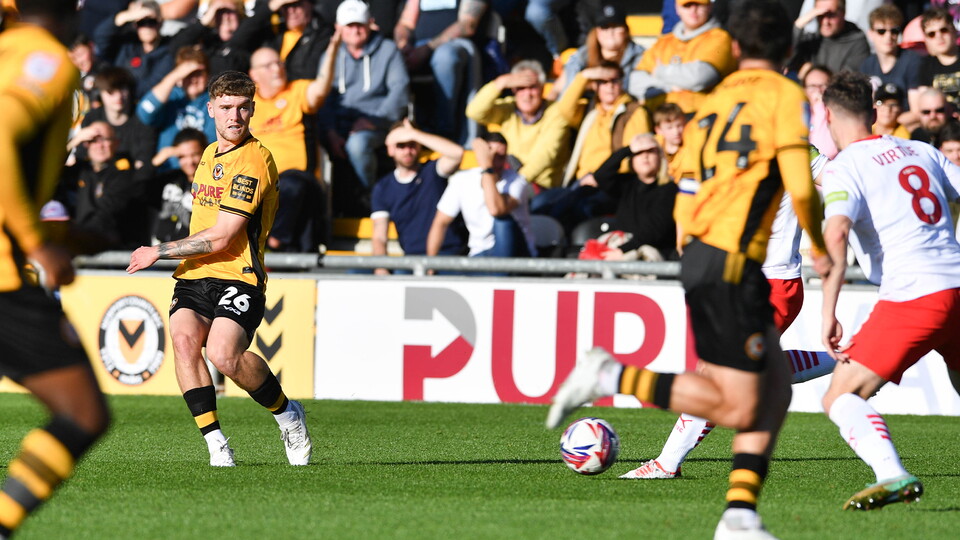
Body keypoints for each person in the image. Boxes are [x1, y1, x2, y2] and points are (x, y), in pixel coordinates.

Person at [545, 3, 832, 539]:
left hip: (706, 257)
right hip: (753, 269)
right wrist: (821, 245)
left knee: (771, 390)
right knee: (734, 394)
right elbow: (801, 181)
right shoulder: (784, 97)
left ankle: (739, 514)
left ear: (735, 50)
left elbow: (688, 189)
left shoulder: (711, 102)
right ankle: (615, 380)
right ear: (790, 52)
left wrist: (689, 248)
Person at [126, 70, 312, 467]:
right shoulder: (210, 154)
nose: (235, 116)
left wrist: (159, 250)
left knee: (224, 356)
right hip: (195, 274)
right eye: (226, 107)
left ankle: (288, 414)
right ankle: (216, 444)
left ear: (253, 110)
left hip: (238, 274)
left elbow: (223, 236)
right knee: (183, 341)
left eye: (243, 108)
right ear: (210, 109)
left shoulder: (255, 160)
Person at [622, 152, 839, 480]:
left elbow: (841, 182)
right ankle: (853, 359)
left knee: (718, 374)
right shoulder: (725, 141)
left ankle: (667, 463)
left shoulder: (791, 147)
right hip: (735, 277)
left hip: (773, 282)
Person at [818, 70, 960, 510]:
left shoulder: (845, 166)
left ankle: (891, 474)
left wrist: (828, 311)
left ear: (828, 117)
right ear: (874, 110)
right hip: (957, 283)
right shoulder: (921, 150)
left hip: (916, 294)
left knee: (840, 396)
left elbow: (836, 233)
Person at [0, 2, 111, 537]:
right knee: (83, 413)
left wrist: (58, 238)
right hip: (2, 279)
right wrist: (36, 245)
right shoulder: (45, 61)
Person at [247, 31, 340, 251]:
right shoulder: (247, 104)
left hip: (298, 182)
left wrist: (333, 51)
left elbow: (321, 87)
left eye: (279, 63)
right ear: (254, 74)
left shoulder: (297, 91)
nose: (277, 69)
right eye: (268, 65)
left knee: (292, 187)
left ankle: (274, 240)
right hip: (259, 185)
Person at [321, 0, 410, 190]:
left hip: (380, 123)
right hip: (339, 125)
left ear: (370, 24)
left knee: (357, 145)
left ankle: (370, 194)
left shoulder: (388, 49)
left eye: (359, 25)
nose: (355, 30)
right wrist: (330, 131)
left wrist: (373, 121)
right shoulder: (330, 55)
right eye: (349, 25)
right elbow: (324, 96)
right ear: (338, 28)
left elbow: (400, 90)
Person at [371, 119, 465, 274]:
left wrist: (414, 134)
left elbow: (457, 154)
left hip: (448, 254)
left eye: (412, 144)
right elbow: (379, 237)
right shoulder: (383, 187)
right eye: (401, 145)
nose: (407, 151)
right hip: (412, 260)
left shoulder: (432, 171)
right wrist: (381, 268)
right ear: (390, 149)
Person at [426, 133, 536, 259]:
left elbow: (495, 210)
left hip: (516, 254)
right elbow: (441, 222)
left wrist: (487, 167)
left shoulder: (517, 181)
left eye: (500, 157)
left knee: (503, 221)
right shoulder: (462, 180)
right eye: (490, 155)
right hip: (479, 253)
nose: (495, 161)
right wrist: (430, 265)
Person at [465, 59, 570, 192]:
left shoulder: (556, 112)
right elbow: (474, 112)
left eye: (532, 87)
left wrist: (517, 183)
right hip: (508, 179)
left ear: (542, 88)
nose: (527, 94)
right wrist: (500, 83)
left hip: (539, 186)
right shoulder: (509, 108)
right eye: (521, 88)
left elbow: (546, 156)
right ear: (513, 90)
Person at [393, 0, 489, 145]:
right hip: (417, 46)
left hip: (455, 45)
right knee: (391, 55)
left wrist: (427, 49)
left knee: (445, 57)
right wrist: (403, 45)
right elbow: (406, 23)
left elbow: (467, 25)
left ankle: (445, 132)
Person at [578, 133, 678, 262]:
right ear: (632, 159)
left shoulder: (670, 189)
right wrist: (628, 149)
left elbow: (655, 231)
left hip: (651, 254)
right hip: (622, 247)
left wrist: (623, 250)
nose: (645, 156)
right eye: (639, 153)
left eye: (650, 151)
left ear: (660, 156)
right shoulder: (627, 184)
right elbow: (601, 176)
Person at [630, 0, 736, 115]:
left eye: (699, 5)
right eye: (687, 6)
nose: (693, 10)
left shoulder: (720, 38)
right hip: (659, 117)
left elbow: (700, 77)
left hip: (700, 117)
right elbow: (635, 82)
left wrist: (660, 71)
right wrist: (669, 87)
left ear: (709, 7)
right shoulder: (664, 42)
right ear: (677, 9)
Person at [66, 121, 153, 249]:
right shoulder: (81, 170)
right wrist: (74, 141)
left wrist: (76, 237)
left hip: (113, 250)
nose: (99, 145)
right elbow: (49, 172)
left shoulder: (124, 173)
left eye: (105, 140)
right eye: (93, 140)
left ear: (116, 143)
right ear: (85, 144)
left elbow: (106, 214)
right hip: (83, 243)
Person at [136, 45, 217, 170]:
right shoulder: (171, 96)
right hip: (170, 170)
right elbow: (145, 113)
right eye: (188, 74)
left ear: (208, 76)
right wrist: (173, 77)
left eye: (199, 74)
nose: (193, 79)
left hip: (203, 170)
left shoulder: (214, 101)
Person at [550, 2, 645, 100]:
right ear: (597, 32)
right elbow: (557, 90)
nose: (610, 32)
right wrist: (586, 78)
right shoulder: (581, 57)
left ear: (626, 30)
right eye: (605, 27)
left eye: (616, 26)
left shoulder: (641, 57)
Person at [70, 67, 157, 171]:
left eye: (123, 89)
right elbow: (80, 157)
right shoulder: (91, 118)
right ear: (100, 93)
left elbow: (144, 162)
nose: (118, 96)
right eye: (111, 92)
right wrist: (77, 139)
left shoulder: (142, 118)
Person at [93, 0, 175, 99]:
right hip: (115, 98)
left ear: (160, 22)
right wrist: (126, 16)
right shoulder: (127, 42)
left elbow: (150, 85)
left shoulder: (168, 49)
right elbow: (101, 37)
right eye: (141, 23)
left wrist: (123, 92)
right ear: (135, 25)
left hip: (140, 103)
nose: (147, 27)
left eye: (151, 22)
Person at [170, 0, 273, 77]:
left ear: (239, 15)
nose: (226, 17)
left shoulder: (252, 40)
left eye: (230, 12)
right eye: (220, 12)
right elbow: (175, 48)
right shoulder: (207, 41)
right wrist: (204, 21)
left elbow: (252, 26)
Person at [859, 5, 921, 116]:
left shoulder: (912, 61)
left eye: (894, 31)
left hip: (904, 124)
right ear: (870, 34)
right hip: (876, 123)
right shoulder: (867, 65)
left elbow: (916, 112)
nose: (888, 36)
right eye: (881, 31)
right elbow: (865, 106)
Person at [149, 127, 207, 243]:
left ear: (205, 152)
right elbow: (136, 188)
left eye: (195, 154)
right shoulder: (170, 179)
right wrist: (159, 159)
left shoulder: (212, 184)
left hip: (192, 250)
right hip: (159, 249)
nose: (190, 162)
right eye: (183, 156)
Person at [789, 0, 870, 77]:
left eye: (831, 15)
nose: (825, 22)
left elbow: (848, 80)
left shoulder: (857, 42)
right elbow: (787, 58)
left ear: (843, 13)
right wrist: (799, 25)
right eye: (820, 16)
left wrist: (811, 75)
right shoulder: (813, 39)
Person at [267, 0, 334, 81]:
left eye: (296, 4)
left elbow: (309, 72)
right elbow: (251, 31)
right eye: (285, 6)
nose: (291, 10)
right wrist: (269, 7)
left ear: (310, 5)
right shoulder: (275, 32)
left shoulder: (323, 33)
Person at [917, 7, 960, 108]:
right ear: (926, 39)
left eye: (944, 30)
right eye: (931, 34)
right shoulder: (925, 67)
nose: (939, 36)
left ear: (954, 31)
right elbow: (925, 106)